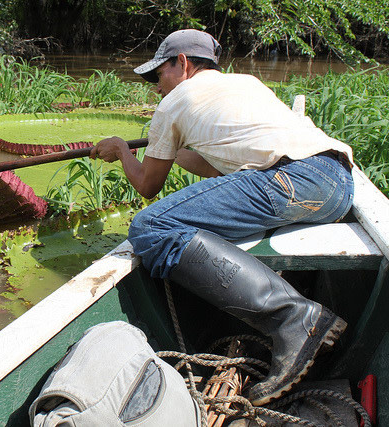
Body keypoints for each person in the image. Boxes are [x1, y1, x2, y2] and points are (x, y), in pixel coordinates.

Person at [89, 29, 354, 405]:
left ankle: (294, 318)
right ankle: (291, 313)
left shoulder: (174, 102)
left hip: (289, 180)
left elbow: (148, 185)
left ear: (181, 64)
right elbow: (221, 171)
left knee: (151, 226)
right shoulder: (245, 84)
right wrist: (174, 149)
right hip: (335, 183)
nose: (157, 88)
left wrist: (120, 150)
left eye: (159, 75)